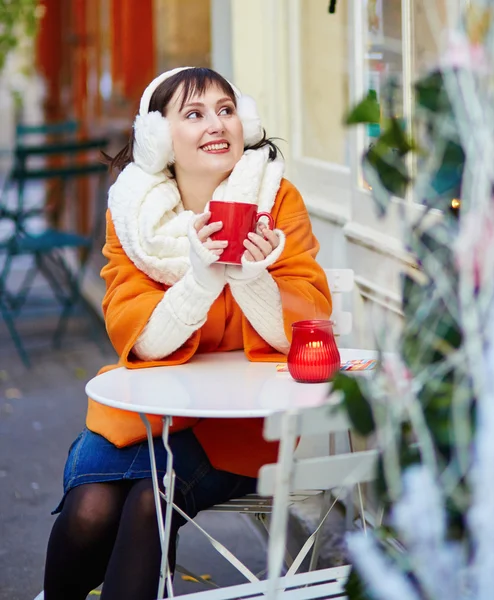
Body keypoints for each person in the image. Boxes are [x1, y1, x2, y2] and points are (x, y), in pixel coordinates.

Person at [43, 66, 332, 600]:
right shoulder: (133, 216)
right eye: (193, 114)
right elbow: (137, 335)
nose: (215, 124)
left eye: (225, 110)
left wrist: (250, 277)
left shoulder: (276, 199)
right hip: (149, 413)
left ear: (245, 121)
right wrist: (200, 280)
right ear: (157, 140)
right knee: (89, 511)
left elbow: (307, 322)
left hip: (243, 424)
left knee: (150, 502)